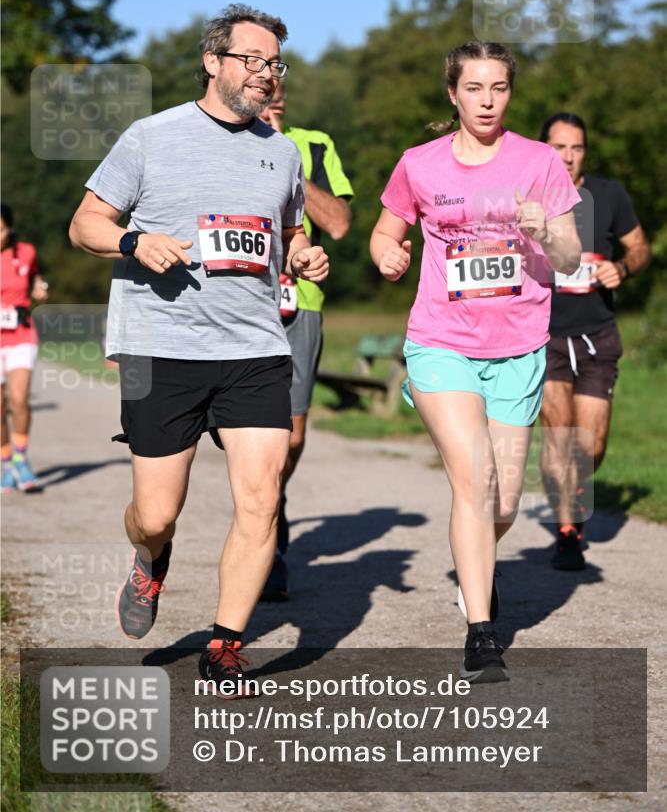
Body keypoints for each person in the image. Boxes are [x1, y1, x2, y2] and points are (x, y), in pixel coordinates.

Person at [69, 4, 329, 692]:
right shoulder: (151, 137)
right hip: (162, 347)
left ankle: (224, 644)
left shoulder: (282, 151)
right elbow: (85, 222)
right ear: (213, 61)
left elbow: (290, 230)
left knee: (260, 497)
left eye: (274, 63)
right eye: (252, 59)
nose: (265, 74)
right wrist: (132, 241)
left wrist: (302, 258)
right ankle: (150, 558)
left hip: (254, 347)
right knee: (155, 513)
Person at [370, 41, 581, 683]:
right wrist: (388, 255)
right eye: (474, 88)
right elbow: (387, 228)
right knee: (474, 477)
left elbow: (571, 258)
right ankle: (481, 634)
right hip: (441, 340)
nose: (487, 100)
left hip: (518, 346)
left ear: (509, 94)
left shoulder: (540, 162)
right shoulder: (419, 164)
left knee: (504, 502)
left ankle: (473, 566)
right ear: (453, 94)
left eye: (498, 89)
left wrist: (547, 230)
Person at [539, 113, 651, 570]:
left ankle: (575, 500)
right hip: (544, 337)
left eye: (577, 148)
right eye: (559, 147)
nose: (567, 156)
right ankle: (567, 527)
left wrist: (621, 268)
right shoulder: (529, 198)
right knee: (560, 438)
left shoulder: (608, 195)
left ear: (585, 152)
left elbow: (639, 247)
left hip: (596, 337)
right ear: (544, 148)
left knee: (592, 445)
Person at [257, 82, 353, 600]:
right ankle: (264, 535)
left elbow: (337, 225)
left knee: (290, 437)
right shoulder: (222, 142)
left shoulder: (312, 146)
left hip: (300, 309)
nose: (271, 100)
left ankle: (272, 502)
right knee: (250, 437)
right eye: (261, 91)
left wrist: (287, 157)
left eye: (278, 93)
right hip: (238, 309)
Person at [1, 203, 49, 491]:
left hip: (21, 334)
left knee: (18, 399)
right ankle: (5, 462)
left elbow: (36, 278)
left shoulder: (26, 253)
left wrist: (40, 288)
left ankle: (20, 458)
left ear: (9, 228)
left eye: (1, 229)